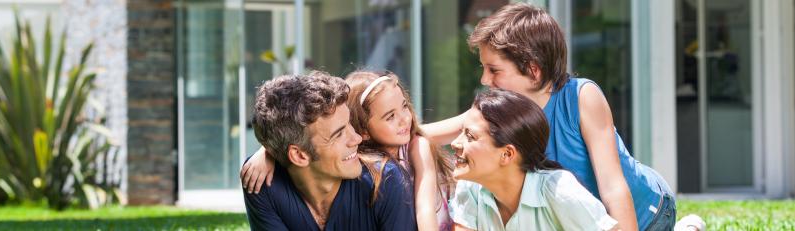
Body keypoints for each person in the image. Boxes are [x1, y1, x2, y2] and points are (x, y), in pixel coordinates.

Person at [422, 3, 684, 230]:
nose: (484, 79)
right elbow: (435, 131)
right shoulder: (500, 110)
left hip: (646, 214)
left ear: (533, 71)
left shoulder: (581, 98)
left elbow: (613, 186)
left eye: (494, 70)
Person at [242, 70, 456, 230]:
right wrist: (268, 150)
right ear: (298, 155)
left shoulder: (388, 178)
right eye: (338, 134)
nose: (355, 139)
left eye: (350, 125)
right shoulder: (261, 182)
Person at [449, 89, 618, 231]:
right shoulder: (470, 187)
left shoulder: (560, 190)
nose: (455, 143)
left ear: (507, 154)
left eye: (469, 136)